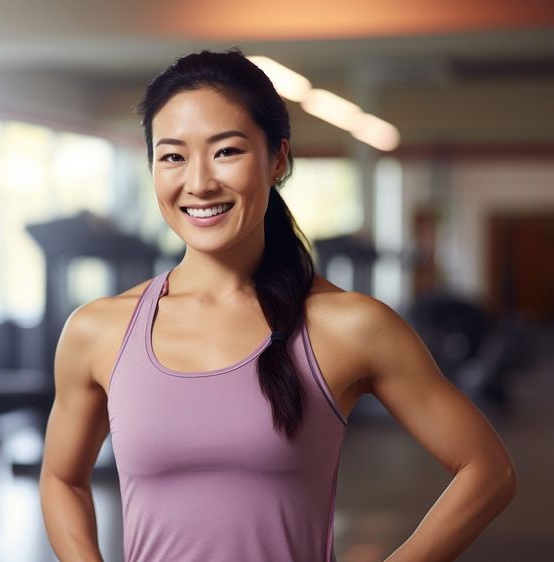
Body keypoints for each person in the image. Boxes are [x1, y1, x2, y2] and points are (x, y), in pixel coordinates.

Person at [38, 49, 517, 562]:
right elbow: (62, 479)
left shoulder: (350, 326)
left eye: (226, 151)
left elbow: (487, 471)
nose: (198, 182)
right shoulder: (99, 330)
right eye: (173, 155)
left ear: (278, 160)